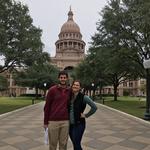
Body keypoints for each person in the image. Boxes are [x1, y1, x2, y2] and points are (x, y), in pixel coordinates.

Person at [44, 70, 71, 150]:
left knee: (63, 144)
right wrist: (45, 122)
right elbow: (47, 107)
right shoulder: (52, 90)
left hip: (65, 121)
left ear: (67, 79)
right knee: (53, 144)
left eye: (64, 78)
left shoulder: (70, 91)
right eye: (61, 77)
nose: (63, 79)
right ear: (58, 78)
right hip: (53, 121)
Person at [69, 80, 97, 150]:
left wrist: (86, 115)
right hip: (70, 125)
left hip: (79, 124)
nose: (75, 86)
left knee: (76, 143)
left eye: (77, 85)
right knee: (75, 144)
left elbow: (94, 107)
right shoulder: (69, 96)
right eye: (74, 85)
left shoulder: (84, 97)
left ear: (80, 87)